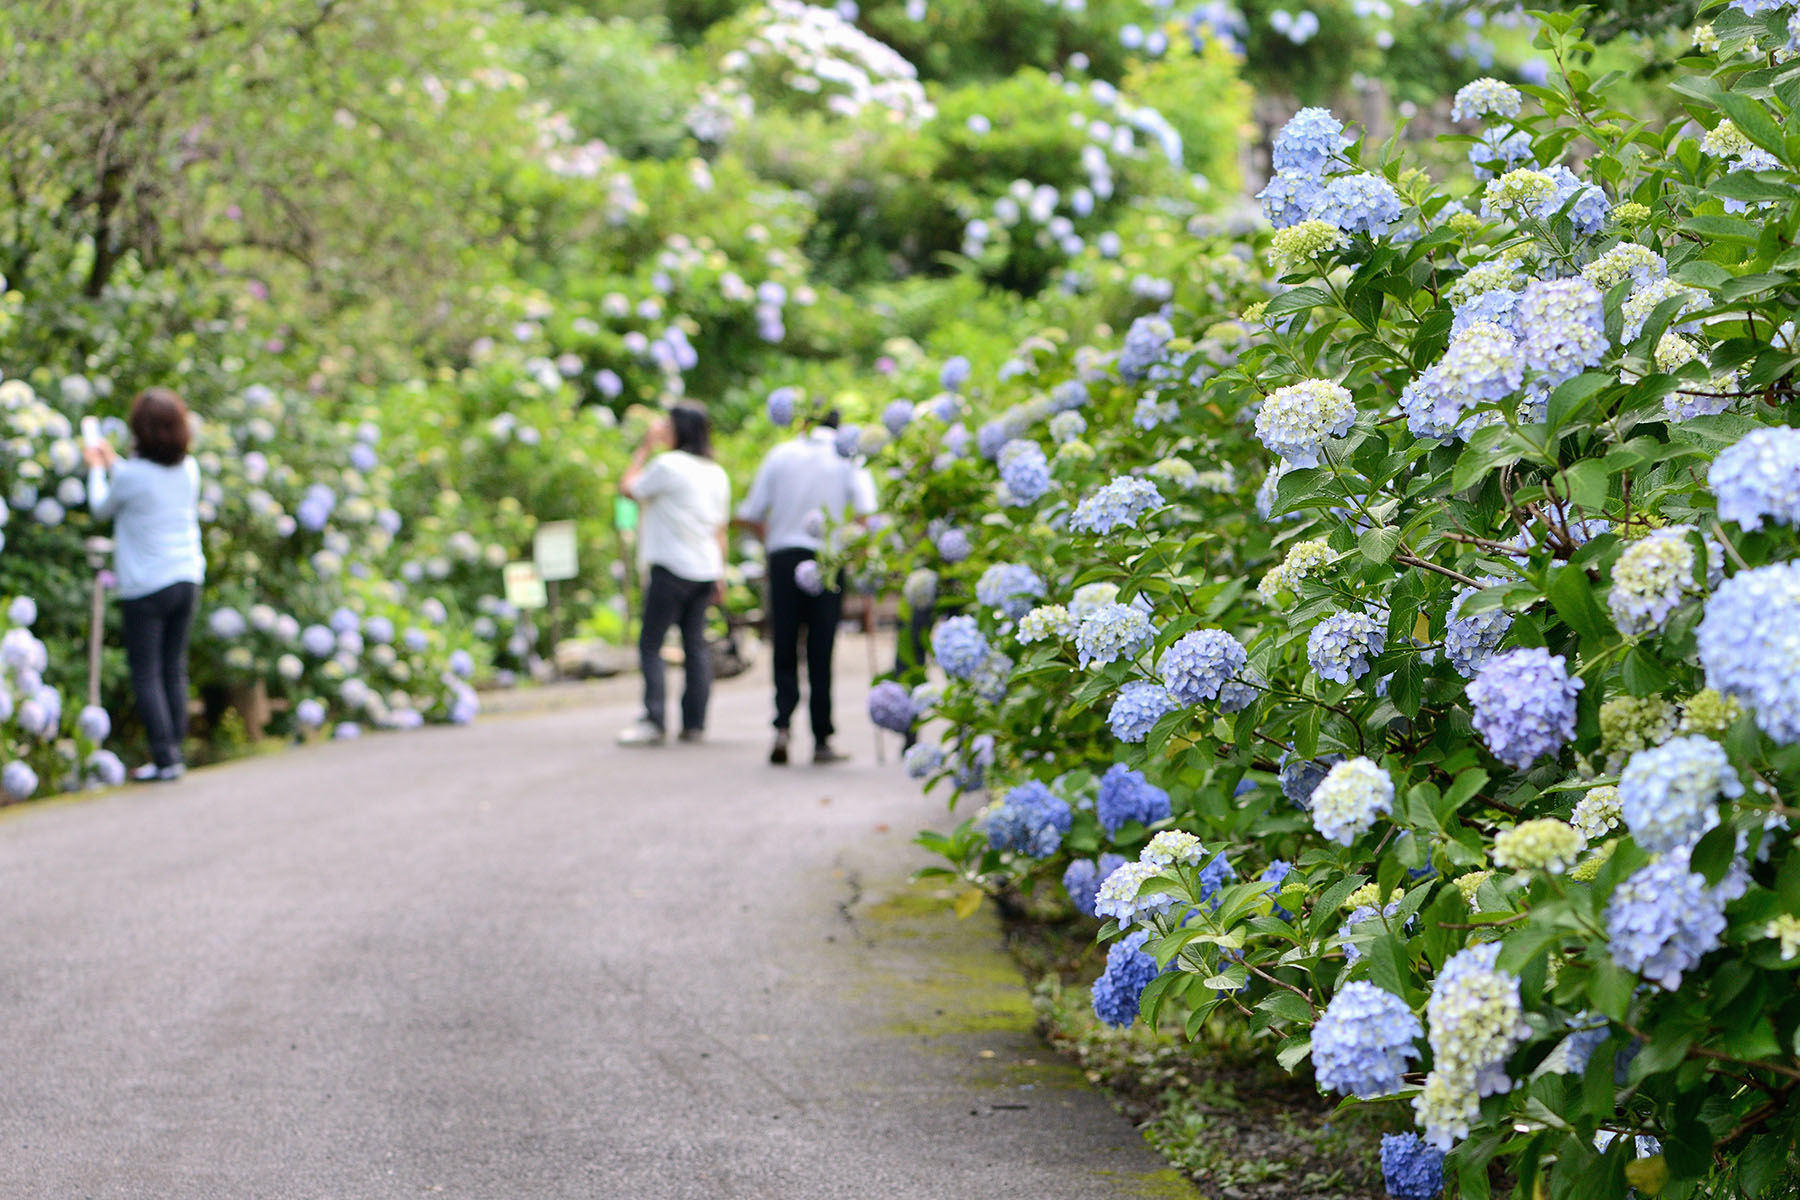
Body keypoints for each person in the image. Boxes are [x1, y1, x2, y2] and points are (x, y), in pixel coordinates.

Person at [736, 411, 876, 766]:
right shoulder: (847, 457)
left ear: (801, 423)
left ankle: (782, 727)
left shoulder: (780, 454)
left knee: (783, 644)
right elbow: (865, 514)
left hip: (783, 557)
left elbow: (751, 513)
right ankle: (822, 738)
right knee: (821, 647)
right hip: (827, 559)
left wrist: (775, 539)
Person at [84, 388, 206, 782]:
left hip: (147, 585)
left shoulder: (133, 476)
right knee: (174, 669)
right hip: (187, 577)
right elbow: (143, 484)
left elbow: (103, 505)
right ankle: (175, 754)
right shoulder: (189, 469)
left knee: (147, 672)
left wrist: (96, 468)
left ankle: (164, 758)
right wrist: (114, 463)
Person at [617, 403, 730, 747]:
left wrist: (645, 447)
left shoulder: (667, 465)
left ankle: (654, 720)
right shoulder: (716, 472)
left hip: (670, 567)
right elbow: (720, 530)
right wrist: (721, 576)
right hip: (705, 569)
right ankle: (694, 723)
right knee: (694, 645)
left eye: (668, 423)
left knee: (651, 644)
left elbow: (628, 488)